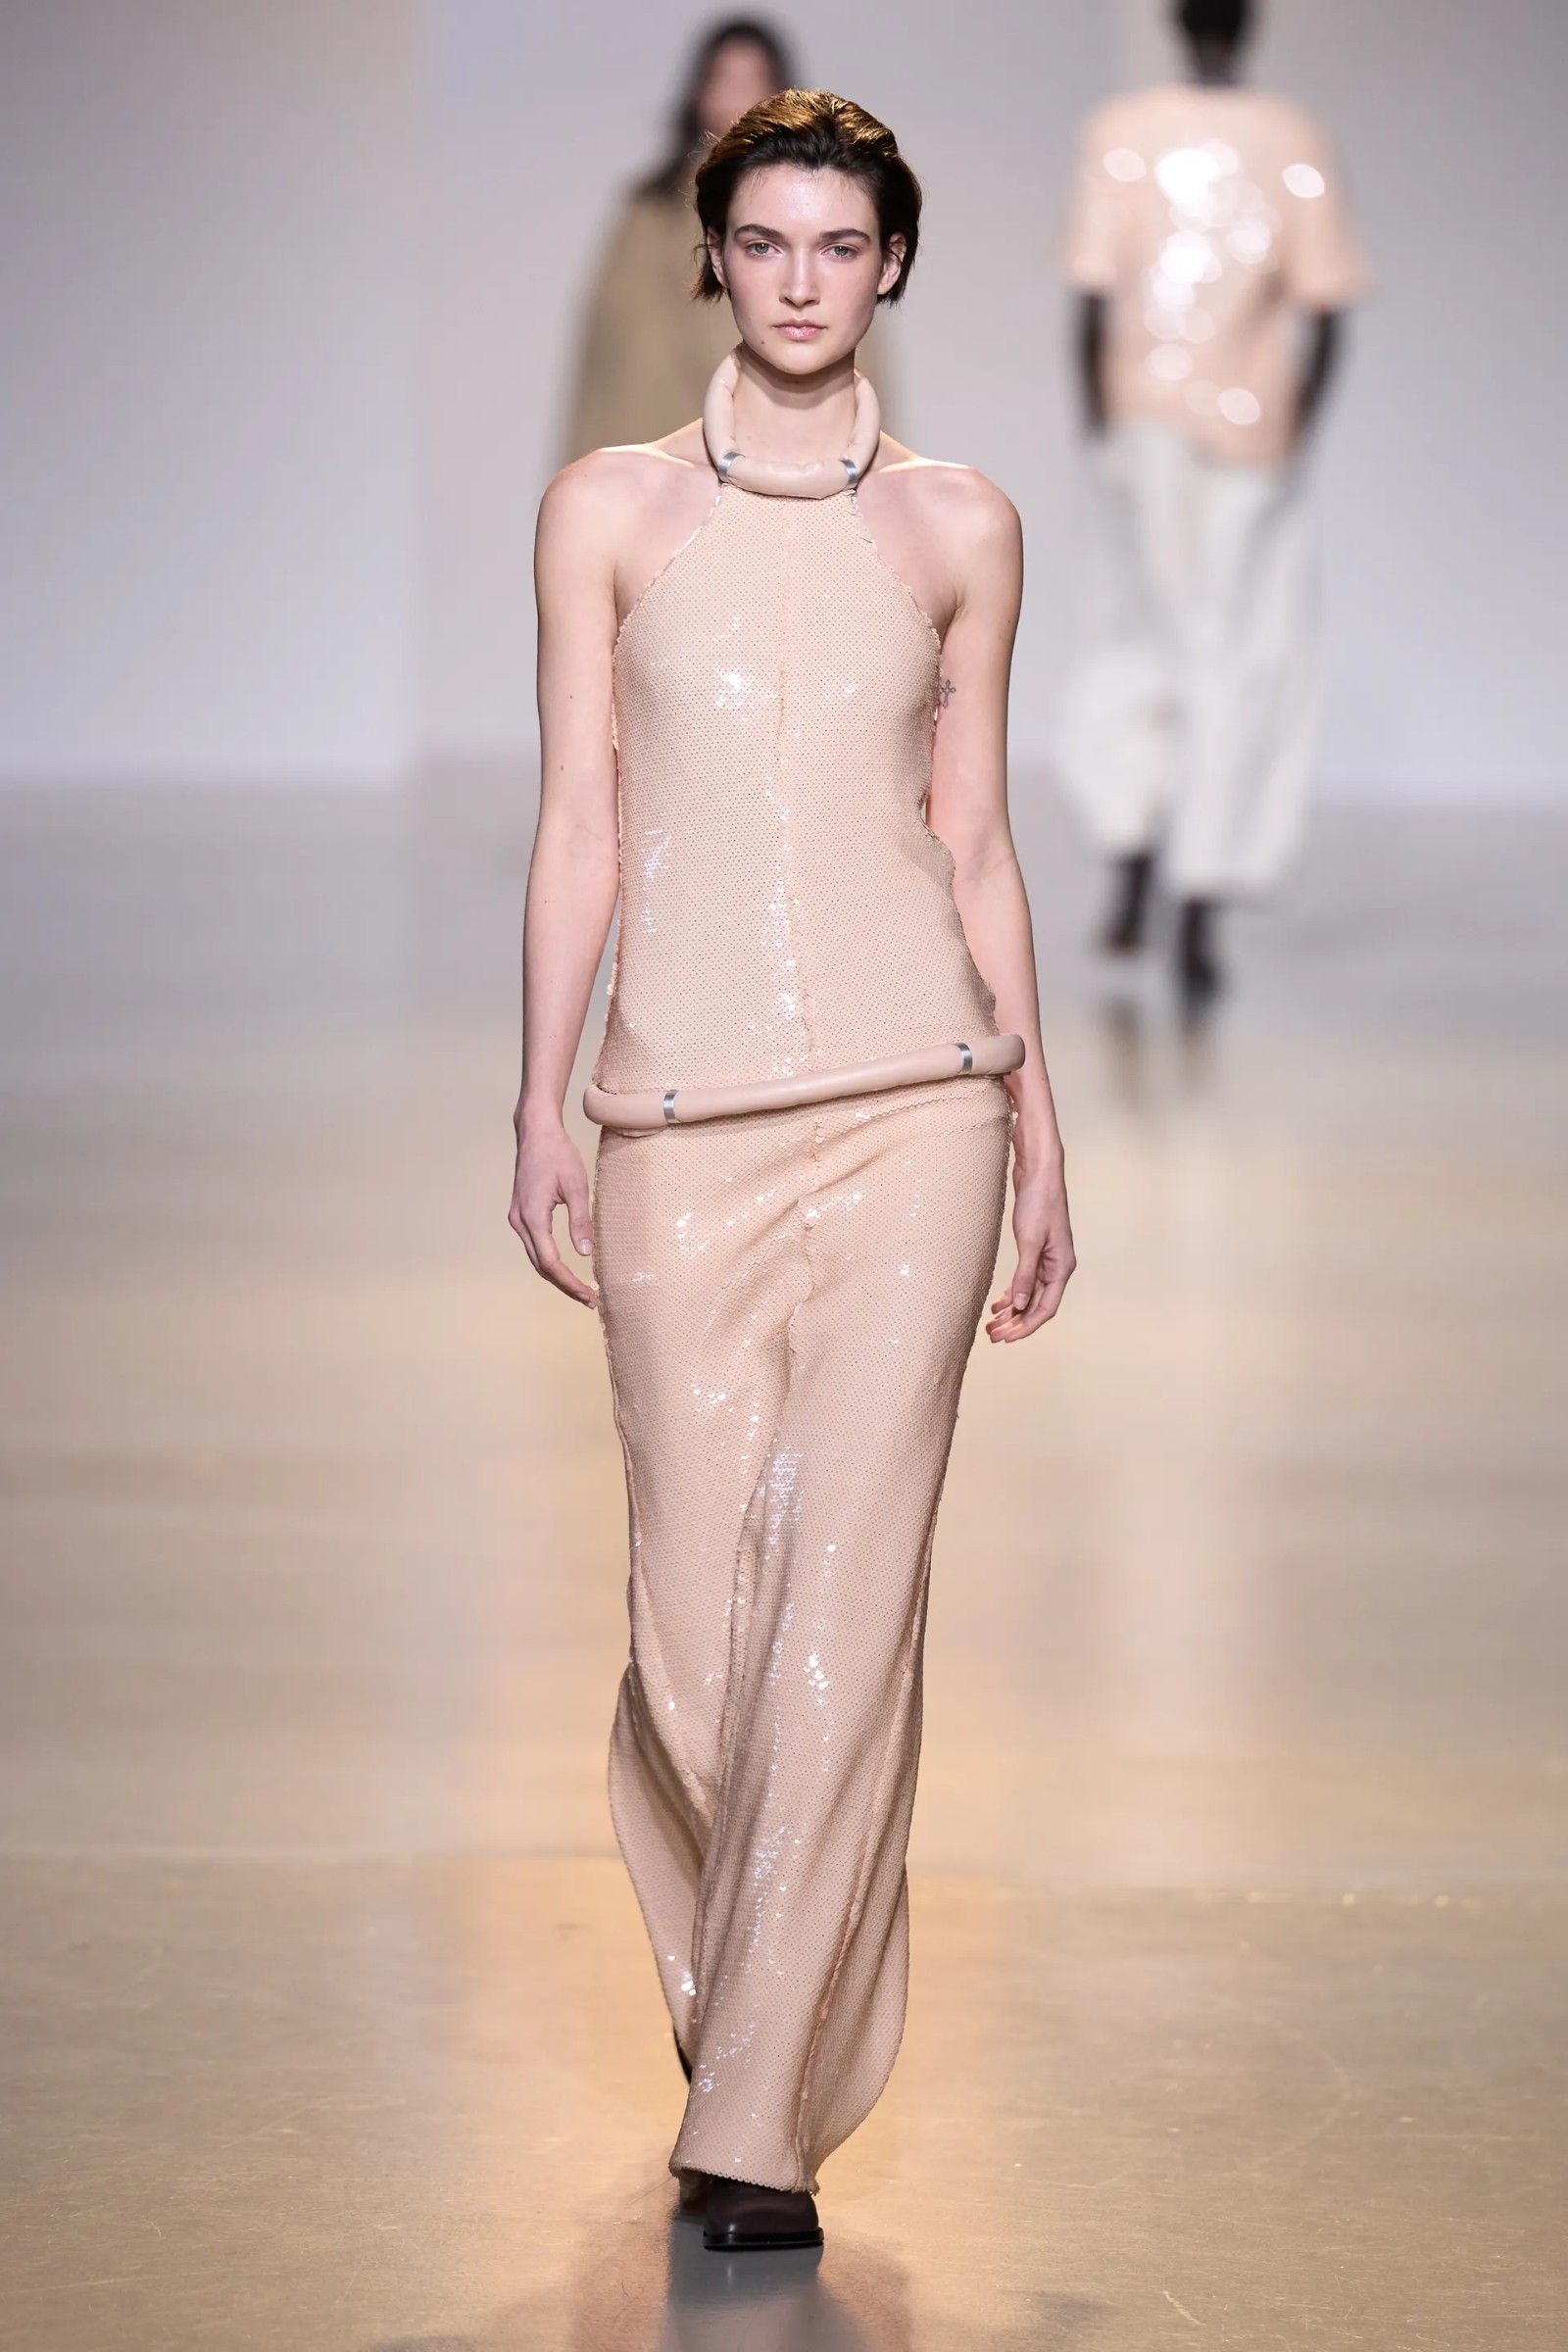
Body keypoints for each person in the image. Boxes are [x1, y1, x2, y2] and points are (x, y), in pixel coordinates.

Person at [511, 90, 1074, 2252]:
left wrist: (1039, 1127)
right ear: (714, 258)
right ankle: (753, 2005)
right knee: (690, 1633)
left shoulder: (959, 526)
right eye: (766, 242)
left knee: (843, 1604)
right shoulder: (609, 511)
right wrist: (537, 1101)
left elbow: (973, 838)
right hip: (672, 1113)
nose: (804, 280)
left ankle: (750, 2119)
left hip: (920, 1102)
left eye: (842, 244)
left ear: (892, 263)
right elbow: (581, 822)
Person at [1057, 0, 1370, 1005]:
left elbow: (1090, 296)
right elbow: (1327, 310)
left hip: (1141, 416)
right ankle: (1195, 899)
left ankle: (1133, 862)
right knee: (1234, 654)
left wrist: (1100, 427)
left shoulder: (1122, 131)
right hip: (1253, 428)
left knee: (1139, 637)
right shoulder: (1293, 137)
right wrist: (1298, 426)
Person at [558, 20, 893, 461]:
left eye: (754, 81)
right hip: (657, 442)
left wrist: (875, 466)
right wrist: (594, 469)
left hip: (793, 445)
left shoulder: (828, 202)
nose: (738, 99)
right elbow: (611, 349)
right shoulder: (651, 211)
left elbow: (858, 344)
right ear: (699, 93)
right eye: (725, 80)